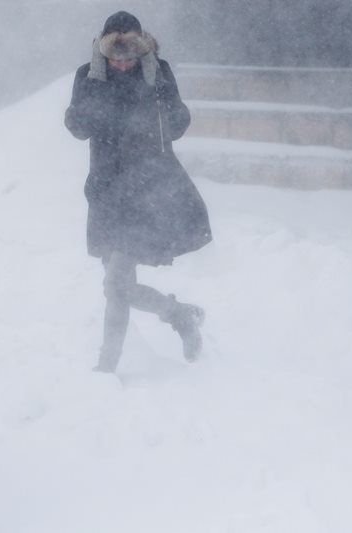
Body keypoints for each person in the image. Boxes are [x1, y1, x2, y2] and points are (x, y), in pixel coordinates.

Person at [64, 11, 212, 373]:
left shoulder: (157, 73)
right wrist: (94, 99)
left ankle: (106, 366)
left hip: (147, 192)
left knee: (116, 283)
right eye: (116, 55)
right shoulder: (88, 75)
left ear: (140, 50)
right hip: (105, 192)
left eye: (130, 55)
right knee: (117, 286)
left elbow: (178, 125)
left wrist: (163, 101)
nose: (123, 62)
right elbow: (76, 125)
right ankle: (180, 314)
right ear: (105, 51)